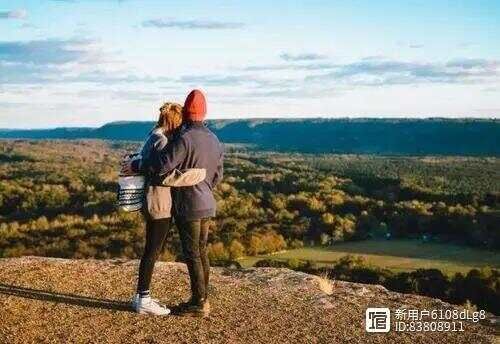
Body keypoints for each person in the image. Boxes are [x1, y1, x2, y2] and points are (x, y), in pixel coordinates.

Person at [129, 89, 224, 317]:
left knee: (192, 253)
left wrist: (137, 165)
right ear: (204, 112)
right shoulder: (214, 138)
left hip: (188, 204)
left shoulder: (185, 137)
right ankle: (202, 298)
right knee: (201, 252)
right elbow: (218, 174)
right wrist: (205, 187)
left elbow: (162, 166)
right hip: (207, 201)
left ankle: (198, 303)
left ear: (187, 111)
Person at [121, 102, 205, 316]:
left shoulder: (154, 136)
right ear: (174, 121)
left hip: (155, 202)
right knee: (152, 251)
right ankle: (144, 299)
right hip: (158, 204)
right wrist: (197, 175)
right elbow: (163, 173)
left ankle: (142, 296)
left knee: (151, 249)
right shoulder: (162, 140)